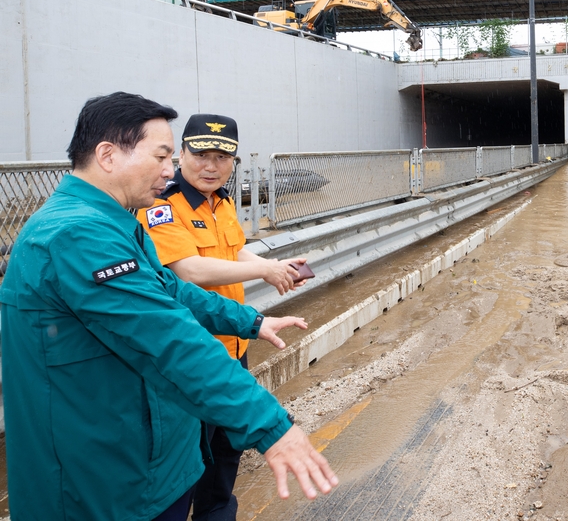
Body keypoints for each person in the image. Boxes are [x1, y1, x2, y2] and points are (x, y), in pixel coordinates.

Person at [0, 93, 337, 521]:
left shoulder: (113, 222)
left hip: (146, 463)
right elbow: (169, 339)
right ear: (107, 155)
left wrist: (249, 320)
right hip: (105, 487)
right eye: (162, 155)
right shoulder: (78, 236)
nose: (168, 169)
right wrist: (272, 427)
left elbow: (172, 292)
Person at [139, 113, 309, 521]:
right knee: (189, 462)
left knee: (225, 454)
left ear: (234, 162)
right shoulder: (162, 205)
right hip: (193, 355)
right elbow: (189, 270)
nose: (211, 166)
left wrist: (276, 264)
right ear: (181, 153)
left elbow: (232, 252)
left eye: (222, 157)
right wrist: (264, 271)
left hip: (233, 347)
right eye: (201, 155)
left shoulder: (223, 201)